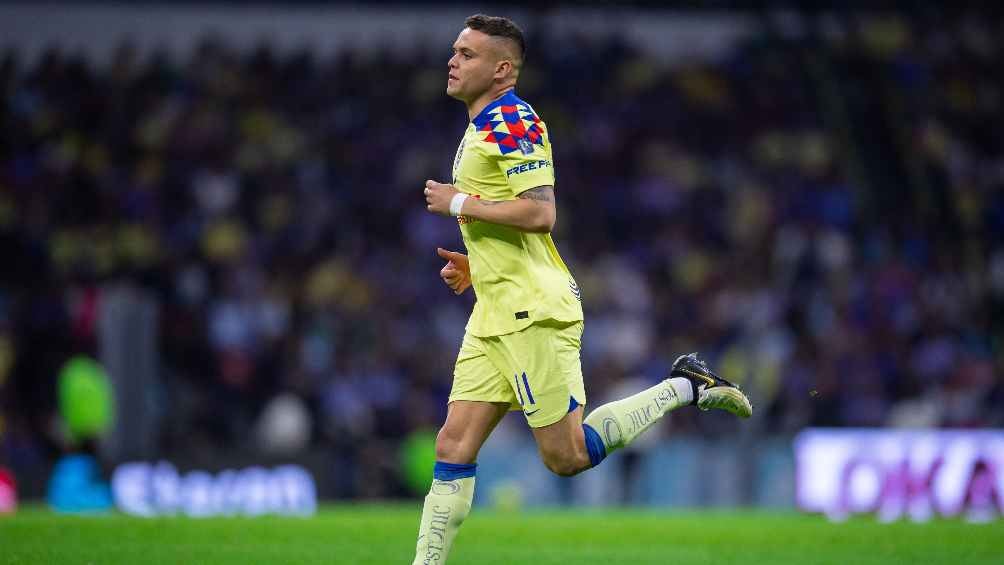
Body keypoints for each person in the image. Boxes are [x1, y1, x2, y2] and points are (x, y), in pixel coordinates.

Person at [413, 14, 752, 564]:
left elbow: (541, 212)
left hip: (533, 312)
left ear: (502, 70)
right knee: (453, 444)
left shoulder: (513, 119)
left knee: (566, 457)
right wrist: (479, 265)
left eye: (467, 54)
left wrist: (457, 202)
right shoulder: (479, 126)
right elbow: (509, 221)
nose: (452, 61)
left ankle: (684, 386)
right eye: (455, 50)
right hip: (494, 309)